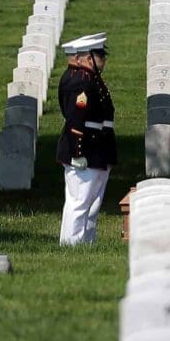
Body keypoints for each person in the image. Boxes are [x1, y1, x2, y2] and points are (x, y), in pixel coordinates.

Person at [56, 33, 117, 245]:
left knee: (91, 201)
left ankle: (85, 243)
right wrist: (77, 153)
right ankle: (72, 244)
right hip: (87, 150)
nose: (104, 59)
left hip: (98, 148)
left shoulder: (92, 80)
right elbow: (75, 120)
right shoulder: (81, 82)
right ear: (89, 57)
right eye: (100, 55)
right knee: (79, 200)